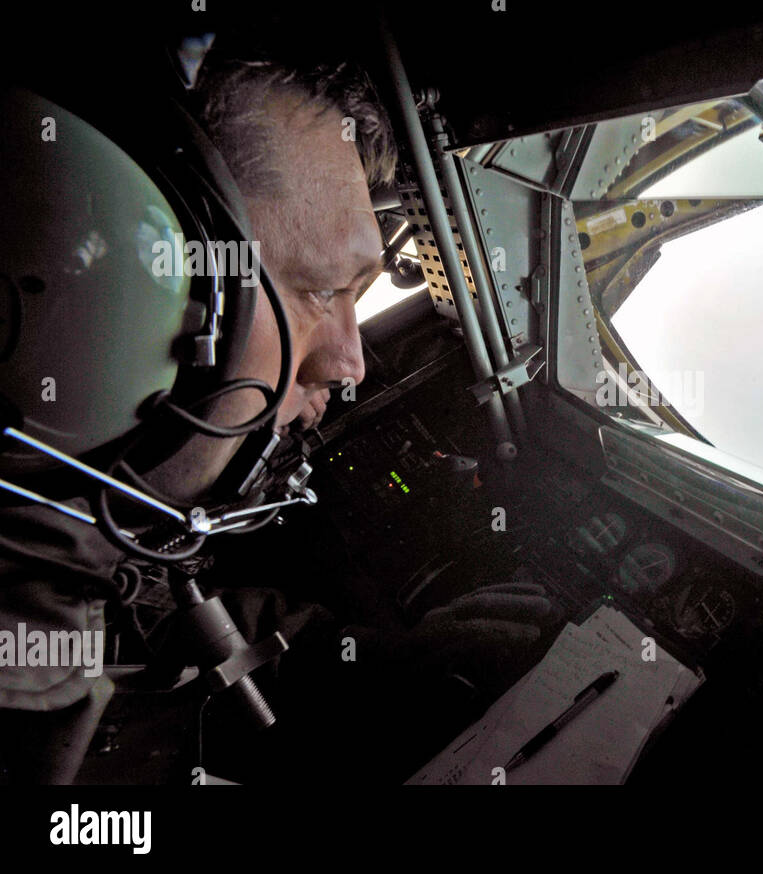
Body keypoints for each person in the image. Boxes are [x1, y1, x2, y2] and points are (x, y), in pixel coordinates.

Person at [0, 38, 556, 784]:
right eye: (323, 291)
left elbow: (155, 618)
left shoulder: (83, 540)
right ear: (133, 287)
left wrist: (367, 656)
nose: (350, 365)